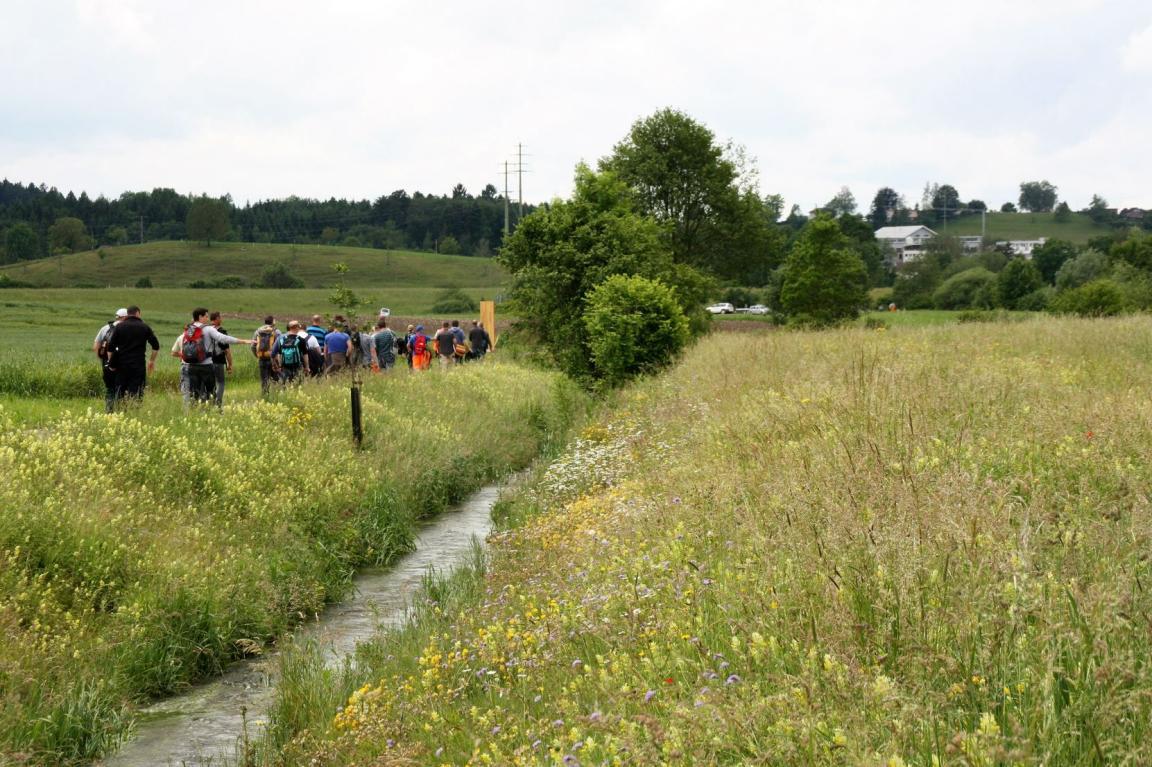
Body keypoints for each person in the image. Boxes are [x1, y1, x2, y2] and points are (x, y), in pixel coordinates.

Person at [181, 307, 254, 405]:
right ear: (200, 317)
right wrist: (243, 341)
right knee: (210, 393)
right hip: (206, 366)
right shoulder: (208, 329)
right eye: (206, 316)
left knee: (194, 393)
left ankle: (194, 412)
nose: (208, 319)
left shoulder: (189, 328)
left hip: (191, 366)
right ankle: (211, 411)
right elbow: (223, 338)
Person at [104, 305, 160, 408]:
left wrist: (111, 362)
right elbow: (156, 346)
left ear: (128, 314)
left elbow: (110, 347)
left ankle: (121, 410)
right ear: (138, 313)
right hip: (138, 365)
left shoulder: (119, 327)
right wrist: (151, 361)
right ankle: (134, 411)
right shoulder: (145, 327)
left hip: (122, 365)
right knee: (137, 392)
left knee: (120, 391)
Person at [93, 307, 127, 412]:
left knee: (110, 388)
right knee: (122, 388)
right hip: (123, 363)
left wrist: (104, 360)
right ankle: (121, 411)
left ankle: (109, 410)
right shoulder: (127, 328)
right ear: (125, 317)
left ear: (117, 317)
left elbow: (96, 347)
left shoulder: (105, 328)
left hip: (107, 363)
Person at [210, 311, 235, 409]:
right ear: (216, 319)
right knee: (220, 383)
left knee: (210, 384)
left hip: (206, 362)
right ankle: (218, 405)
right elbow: (227, 351)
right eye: (220, 317)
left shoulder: (206, 330)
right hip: (218, 361)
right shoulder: (221, 332)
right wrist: (230, 364)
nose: (221, 319)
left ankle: (210, 403)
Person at [252, 315, 280, 395]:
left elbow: (253, 346)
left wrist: (258, 355)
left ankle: (265, 397)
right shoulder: (276, 331)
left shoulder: (258, 331)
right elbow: (280, 345)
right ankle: (276, 396)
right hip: (274, 359)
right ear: (272, 322)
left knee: (264, 380)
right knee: (276, 380)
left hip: (262, 358)